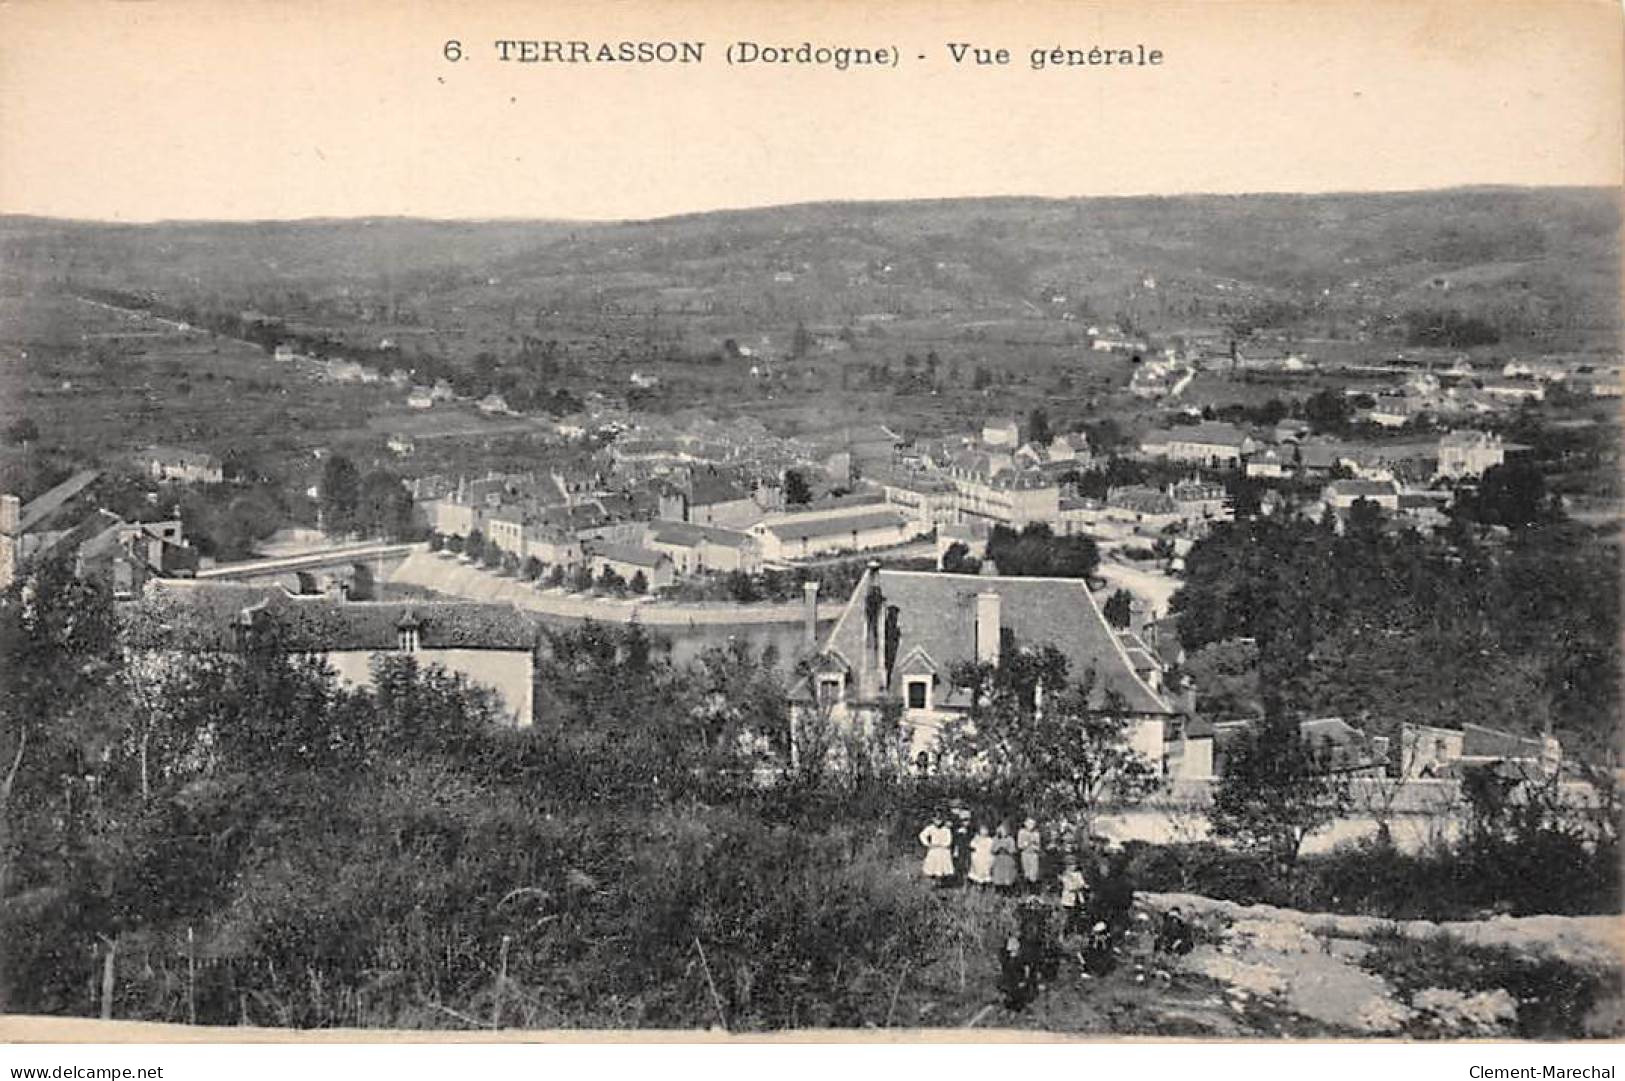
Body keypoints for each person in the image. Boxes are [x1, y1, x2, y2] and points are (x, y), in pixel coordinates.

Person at [918, 814, 955, 886]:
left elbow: (949, 839)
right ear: (933, 819)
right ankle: (933, 882)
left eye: (940, 820)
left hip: (943, 850)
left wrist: (945, 844)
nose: (938, 822)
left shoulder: (946, 829)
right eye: (936, 819)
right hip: (934, 850)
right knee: (933, 866)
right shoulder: (930, 828)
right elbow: (922, 835)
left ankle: (940, 882)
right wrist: (927, 844)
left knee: (941, 867)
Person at [1057, 859, 1088, 935]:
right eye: (1070, 865)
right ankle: (1066, 932)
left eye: (1074, 865)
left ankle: (1078, 931)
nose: (1073, 867)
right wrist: (1078, 886)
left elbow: (1082, 883)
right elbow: (1069, 886)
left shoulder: (1078, 874)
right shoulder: (1064, 875)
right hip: (1069, 898)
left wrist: (1081, 886)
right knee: (1068, 916)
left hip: (1078, 897)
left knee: (1078, 915)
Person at [1017, 817, 1043, 891]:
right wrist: (1027, 843)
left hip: (1033, 855)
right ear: (1025, 824)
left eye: (1032, 824)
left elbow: (1038, 846)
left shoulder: (1036, 833)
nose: (1031, 825)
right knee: (1026, 872)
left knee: (1033, 873)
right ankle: (1026, 890)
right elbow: (1020, 845)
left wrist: (1034, 844)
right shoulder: (1021, 832)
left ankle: (1033, 890)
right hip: (1025, 854)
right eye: (1029, 823)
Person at [991, 822, 1018, 890]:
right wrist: (998, 847)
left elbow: (1013, 850)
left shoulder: (1010, 839)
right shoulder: (995, 839)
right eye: (1000, 829)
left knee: (1008, 875)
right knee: (998, 875)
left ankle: (1007, 890)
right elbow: (992, 850)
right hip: (998, 859)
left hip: (1007, 859)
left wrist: (1007, 849)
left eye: (1003, 830)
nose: (1001, 831)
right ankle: (998, 889)